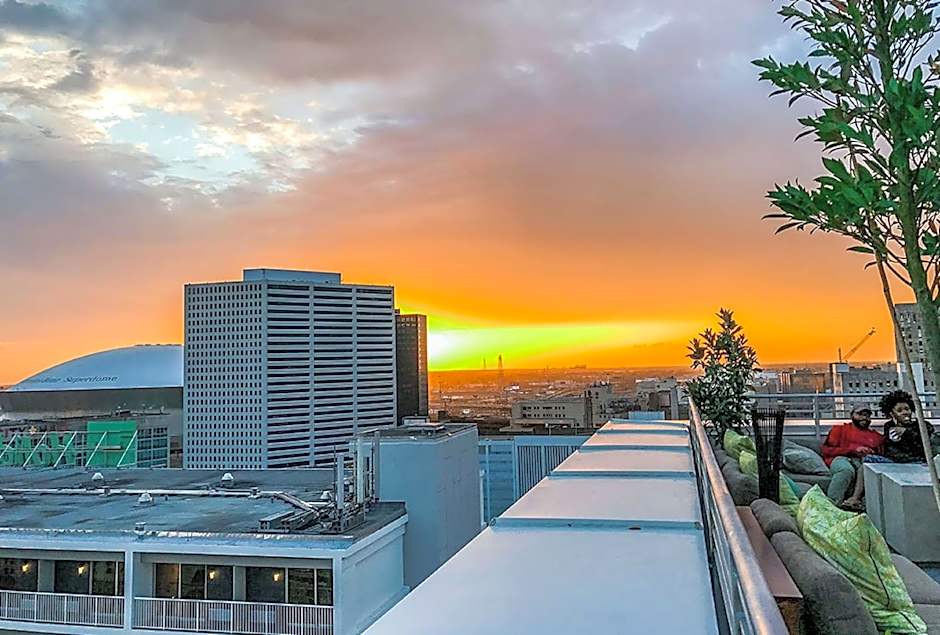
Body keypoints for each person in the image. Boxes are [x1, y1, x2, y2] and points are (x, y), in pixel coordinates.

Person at [821, 405, 884, 510]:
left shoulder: (876, 436)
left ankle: (856, 504)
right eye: (860, 414)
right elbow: (826, 450)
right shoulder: (839, 430)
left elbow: (881, 456)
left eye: (867, 415)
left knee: (867, 472)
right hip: (841, 458)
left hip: (863, 462)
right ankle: (831, 507)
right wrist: (853, 450)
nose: (864, 418)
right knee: (846, 471)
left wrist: (870, 453)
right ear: (852, 415)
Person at [879, 390, 937, 463]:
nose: (905, 413)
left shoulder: (922, 425)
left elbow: (923, 445)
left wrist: (906, 432)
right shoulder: (889, 426)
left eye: (907, 409)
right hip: (894, 461)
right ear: (892, 414)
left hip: (917, 461)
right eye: (899, 411)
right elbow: (890, 447)